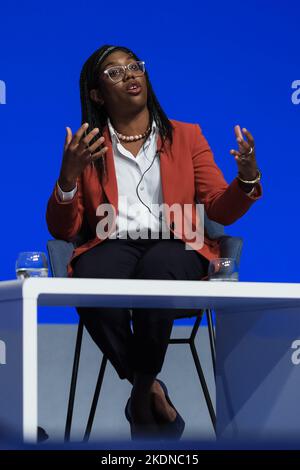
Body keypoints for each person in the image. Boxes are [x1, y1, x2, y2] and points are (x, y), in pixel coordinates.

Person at [46, 44, 262, 440]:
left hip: (177, 244)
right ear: (96, 94)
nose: (129, 75)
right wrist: (67, 178)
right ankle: (150, 390)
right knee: (90, 274)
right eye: (114, 72)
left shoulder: (186, 136)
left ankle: (141, 392)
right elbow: (65, 230)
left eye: (134, 67)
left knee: (158, 267)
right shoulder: (88, 146)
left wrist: (246, 179)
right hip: (111, 244)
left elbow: (218, 209)